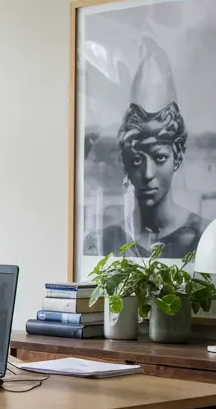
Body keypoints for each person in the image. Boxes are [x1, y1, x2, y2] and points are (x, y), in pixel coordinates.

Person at [85, 37, 209, 258]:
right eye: (136, 159)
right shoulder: (101, 241)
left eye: (159, 157)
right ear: (125, 163)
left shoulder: (207, 239)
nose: (147, 174)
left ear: (177, 156)